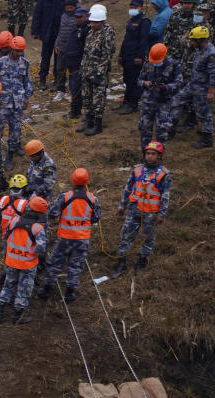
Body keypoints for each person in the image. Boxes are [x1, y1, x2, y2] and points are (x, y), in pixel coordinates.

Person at [110, 141, 170, 278]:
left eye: (153, 154)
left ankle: (142, 261)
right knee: (126, 236)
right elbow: (128, 188)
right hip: (134, 210)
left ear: (159, 156)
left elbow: (165, 196)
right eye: (148, 153)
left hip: (151, 213)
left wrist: (162, 213)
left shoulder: (164, 174)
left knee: (148, 239)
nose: (149, 156)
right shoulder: (137, 170)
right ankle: (121, 263)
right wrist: (122, 206)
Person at [41, 167, 101, 303]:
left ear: (72, 180)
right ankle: (69, 293)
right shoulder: (93, 199)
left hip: (65, 237)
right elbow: (96, 218)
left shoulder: (65, 197)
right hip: (82, 239)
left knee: (56, 262)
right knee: (76, 265)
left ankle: (46, 290)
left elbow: (53, 214)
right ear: (87, 182)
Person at [0, 196, 49, 324]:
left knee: (8, 285)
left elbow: (5, 238)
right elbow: (41, 249)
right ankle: (17, 317)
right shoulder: (38, 228)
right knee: (23, 290)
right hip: (27, 264)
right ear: (39, 213)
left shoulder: (13, 221)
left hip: (11, 261)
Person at [0, 35, 33, 157]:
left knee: (16, 129)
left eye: (21, 51)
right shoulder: (0, 63)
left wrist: (26, 99)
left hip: (18, 104)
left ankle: (11, 153)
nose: (19, 53)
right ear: (11, 49)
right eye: (17, 51)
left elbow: (28, 82)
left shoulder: (25, 64)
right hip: (2, 103)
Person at [76, 4, 116, 136]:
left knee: (98, 99)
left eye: (95, 22)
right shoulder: (90, 33)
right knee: (86, 97)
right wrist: (82, 68)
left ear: (101, 22)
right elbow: (86, 53)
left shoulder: (107, 34)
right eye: (91, 21)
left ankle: (98, 125)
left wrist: (99, 72)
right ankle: (89, 120)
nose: (92, 24)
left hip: (98, 73)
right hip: (87, 70)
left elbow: (107, 55)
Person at [172, 25, 215, 147]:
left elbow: (213, 74)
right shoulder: (198, 48)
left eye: (192, 40)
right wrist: (186, 36)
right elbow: (185, 43)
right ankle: (171, 126)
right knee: (176, 100)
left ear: (200, 41)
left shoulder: (211, 54)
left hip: (203, 89)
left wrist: (211, 92)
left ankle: (207, 138)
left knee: (203, 113)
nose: (190, 43)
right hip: (193, 84)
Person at [138, 43, 183, 147]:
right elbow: (139, 80)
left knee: (162, 130)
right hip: (148, 102)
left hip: (165, 103)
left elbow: (179, 83)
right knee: (145, 129)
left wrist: (166, 87)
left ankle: (158, 156)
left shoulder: (174, 65)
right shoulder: (148, 63)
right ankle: (146, 155)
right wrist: (144, 83)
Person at [116, 0, 151, 113]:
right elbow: (126, 40)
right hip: (126, 55)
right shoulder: (131, 21)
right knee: (127, 78)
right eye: (131, 7)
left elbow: (143, 40)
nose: (132, 9)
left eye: (135, 7)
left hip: (135, 56)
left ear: (141, 8)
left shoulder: (144, 21)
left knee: (134, 80)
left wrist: (139, 56)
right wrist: (121, 55)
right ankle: (126, 101)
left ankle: (133, 104)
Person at [32, 0, 67, 90]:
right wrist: (35, 31)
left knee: (58, 59)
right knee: (45, 58)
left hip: (60, 35)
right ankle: (42, 80)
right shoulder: (43, 1)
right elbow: (37, 14)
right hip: (47, 34)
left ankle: (57, 80)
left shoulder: (63, 2)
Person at [64, 8, 91, 119]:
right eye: (76, 17)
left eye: (80, 17)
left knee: (76, 89)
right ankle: (75, 110)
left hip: (78, 65)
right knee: (73, 88)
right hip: (72, 64)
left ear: (87, 16)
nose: (77, 19)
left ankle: (75, 111)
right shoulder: (77, 28)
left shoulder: (87, 30)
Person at [53, 2, 83, 91]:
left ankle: (72, 88)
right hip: (61, 48)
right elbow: (60, 31)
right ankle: (60, 89)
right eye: (67, 8)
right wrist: (57, 44)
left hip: (72, 50)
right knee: (60, 69)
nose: (69, 9)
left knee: (72, 70)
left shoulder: (78, 17)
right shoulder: (63, 16)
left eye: (71, 7)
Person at [0, 174, 30, 239]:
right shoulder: (24, 203)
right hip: (18, 241)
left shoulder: (3, 199)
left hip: (4, 238)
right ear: (24, 189)